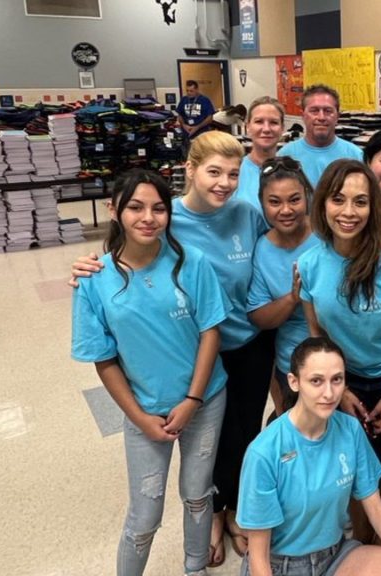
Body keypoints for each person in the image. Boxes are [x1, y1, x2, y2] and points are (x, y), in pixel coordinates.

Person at [70, 132, 272, 566]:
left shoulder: (242, 218)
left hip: (234, 354)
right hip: (163, 381)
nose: (224, 182)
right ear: (191, 170)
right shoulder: (167, 225)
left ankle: (224, 522)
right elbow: (105, 350)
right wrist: (87, 268)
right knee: (146, 511)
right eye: (214, 171)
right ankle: (217, 518)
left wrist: (194, 397)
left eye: (234, 174)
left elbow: (291, 234)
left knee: (235, 445)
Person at [297, 159, 381, 544]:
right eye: (338, 200)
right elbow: (317, 334)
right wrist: (341, 391)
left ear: (374, 208)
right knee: (352, 463)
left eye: (360, 202)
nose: (349, 212)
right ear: (322, 204)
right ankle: (362, 539)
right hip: (343, 380)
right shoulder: (309, 263)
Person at [237, 336, 381, 576]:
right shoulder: (264, 452)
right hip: (280, 565)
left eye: (337, 380)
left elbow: (376, 510)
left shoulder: (351, 431)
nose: (329, 393)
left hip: (334, 555)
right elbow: (259, 559)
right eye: (316, 381)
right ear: (294, 382)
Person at [247, 157, 321, 416]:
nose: (286, 210)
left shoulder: (328, 232)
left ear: (307, 197)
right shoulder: (262, 249)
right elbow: (259, 316)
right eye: (274, 202)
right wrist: (292, 298)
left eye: (294, 199)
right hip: (292, 361)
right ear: (263, 203)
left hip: (341, 357)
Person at [278, 84, 362, 187]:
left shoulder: (355, 156)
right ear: (303, 116)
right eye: (314, 111)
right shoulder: (285, 156)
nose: (321, 117)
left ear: (337, 116)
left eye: (328, 111)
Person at [235, 96, 285, 209]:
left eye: (273, 122)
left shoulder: (291, 171)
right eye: (259, 122)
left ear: (282, 128)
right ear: (248, 127)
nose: (266, 129)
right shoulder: (235, 171)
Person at [177, 80, 216, 150]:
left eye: (191, 91)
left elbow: (210, 118)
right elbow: (180, 115)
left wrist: (197, 127)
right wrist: (184, 125)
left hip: (201, 132)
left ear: (197, 90)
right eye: (187, 91)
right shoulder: (184, 100)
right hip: (187, 132)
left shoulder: (204, 100)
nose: (189, 93)